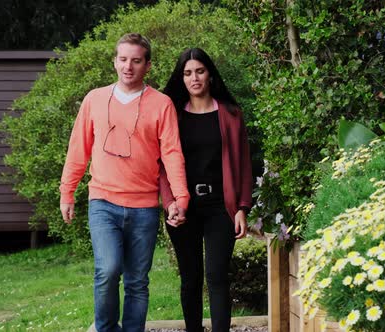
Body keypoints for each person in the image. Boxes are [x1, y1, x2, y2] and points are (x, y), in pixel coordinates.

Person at [59, 33, 190, 332]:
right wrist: (67, 192)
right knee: (107, 270)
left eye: (136, 60)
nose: (128, 66)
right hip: (103, 202)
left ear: (148, 65)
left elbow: (172, 154)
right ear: (115, 62)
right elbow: (78, 149)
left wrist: (180, 198)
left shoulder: (162, 104)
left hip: (144, 207)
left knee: (137, 281)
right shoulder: (94, 99)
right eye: (122, 59)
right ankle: (105, 329)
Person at [160, 47, 253, 332]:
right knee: (190, 278)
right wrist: (170, 203)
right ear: (181, 78)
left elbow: (244, 164)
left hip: (220, 206)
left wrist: (241, 207)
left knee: (216, 276)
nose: (194, 78)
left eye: (199, 71)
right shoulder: (171, 115)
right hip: (183, 207)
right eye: (187, 73)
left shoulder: (231, 114)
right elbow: (160, 165)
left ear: (210, 74)